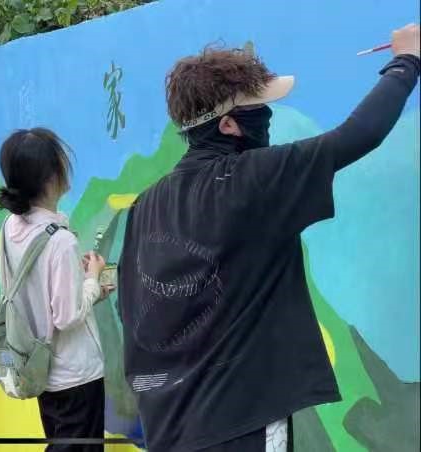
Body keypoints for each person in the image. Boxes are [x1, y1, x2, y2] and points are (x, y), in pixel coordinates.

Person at [117, 24, 420, 451]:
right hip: (241, 423)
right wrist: (407, 61)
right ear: (228, 125)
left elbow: (129, 306)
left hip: (172, 428)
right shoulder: (248, 179)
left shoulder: (145, 205)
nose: (267, 117)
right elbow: (358, 135)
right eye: (258, 108)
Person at [0, 128, 114, 451]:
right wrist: (92, 280)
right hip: (75, 375)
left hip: (42, 369)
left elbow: (28, 291)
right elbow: (66, 316)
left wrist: (86, 287)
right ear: (50, 177)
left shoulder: (10, 227)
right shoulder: (60, 242)